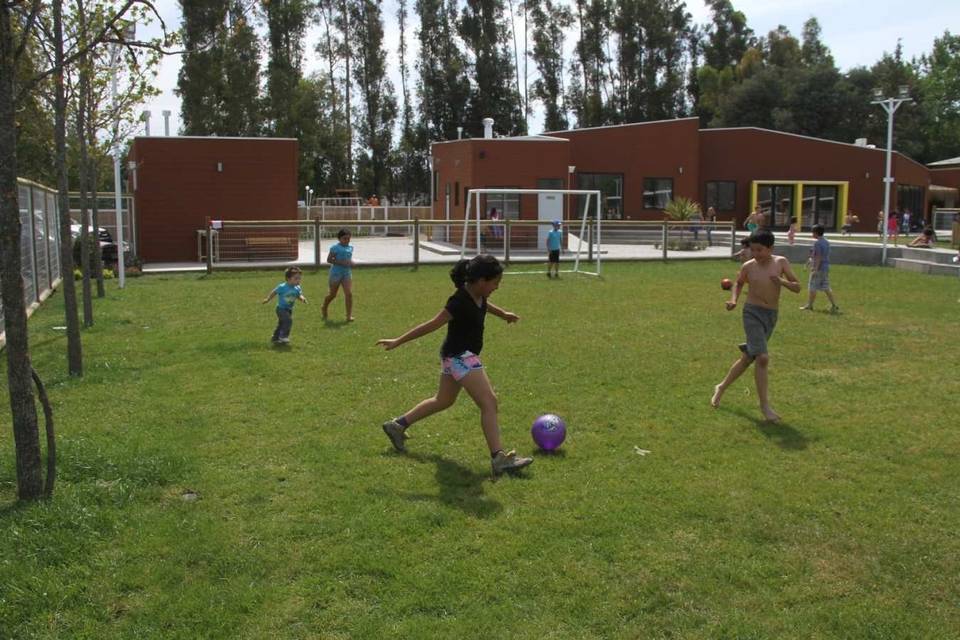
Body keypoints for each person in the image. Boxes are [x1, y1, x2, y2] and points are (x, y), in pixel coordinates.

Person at [376, 255, 533, 477]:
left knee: (444, 400)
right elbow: (431, 324)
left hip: (454, 356)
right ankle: (499, 458)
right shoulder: (458, 301)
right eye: (495, 283)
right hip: (461, 357)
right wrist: (398, 340)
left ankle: (397, 425)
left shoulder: (479, 295)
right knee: (489, 402)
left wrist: (504, 314)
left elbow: (486, 306)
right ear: (480, 280)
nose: (496, 287)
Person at [711, 229, 801, 422]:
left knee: (748, 358)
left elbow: (797, 287)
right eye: (753, 250)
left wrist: (782, 281)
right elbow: (739, 283)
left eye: (760, 250)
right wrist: (733, 299)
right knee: (762, 358)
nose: (756, 254)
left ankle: (721, 387)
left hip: (771, 316)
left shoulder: (781, 262)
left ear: (771, 248)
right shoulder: (748, 266)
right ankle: (765, 407)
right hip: (752, 313)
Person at [262, 266, 307, 345]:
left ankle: (275, 338)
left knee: (281, 323)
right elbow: (274, 292)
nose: (298, 280)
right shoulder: (282, 287)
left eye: (299, 278)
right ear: (288, 279)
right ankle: (283, 336)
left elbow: (298, 295)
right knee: (288, 320)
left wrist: (302, 299)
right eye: (296, 278)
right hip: (280, 309)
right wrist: (268, 299)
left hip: (289, 309)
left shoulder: (297, 288)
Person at [800, 224, 839, 313]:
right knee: (826, 286)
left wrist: (815, 269)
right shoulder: (826, 242)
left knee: (812, 286)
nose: (812, 234)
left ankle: (810, 305)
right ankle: (834, 305)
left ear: (816, 233)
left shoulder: (817, 243)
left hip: (819, 268)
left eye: (812, 232)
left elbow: (818, 257)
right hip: (825, 268)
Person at [322, 228, 355, 321]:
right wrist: (340, 262)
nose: (347, 241)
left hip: (346, 273)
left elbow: (348, 259)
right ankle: (324, 307)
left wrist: (352, 262)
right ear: (339, 239)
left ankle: (348, 316)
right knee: (333, 295)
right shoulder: (335, 248)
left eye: (348, 239)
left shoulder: (350, 248)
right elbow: (329, 259)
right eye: (344, 238)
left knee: (349, 294)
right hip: (336, 273)